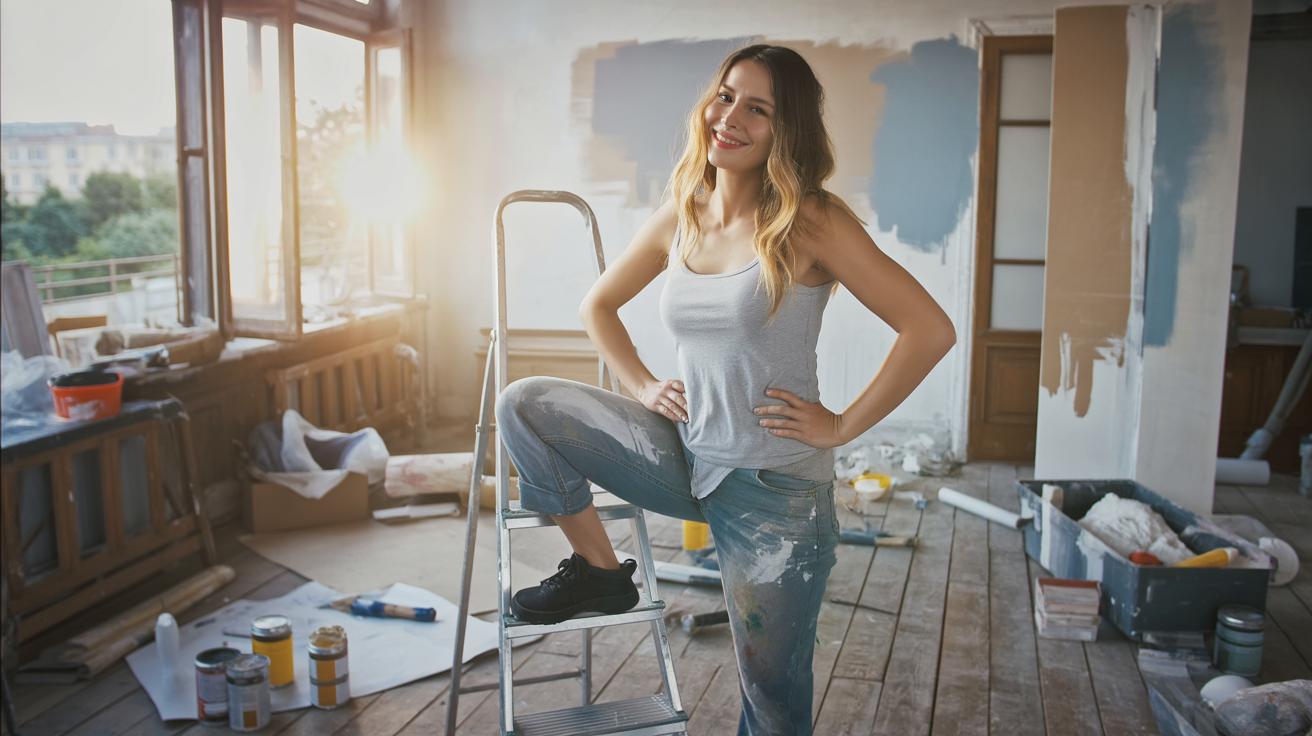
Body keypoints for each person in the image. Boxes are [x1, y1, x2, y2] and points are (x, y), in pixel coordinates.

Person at [495, 43, 956, 736]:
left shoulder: (810, 220)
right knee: (525, 406)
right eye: (726, 96)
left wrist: (842, 425)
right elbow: (598, 306)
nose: (730, 117)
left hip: (774, 493)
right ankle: (601, 571)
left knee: (771, 703)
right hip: (687, 457)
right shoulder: (682, 213)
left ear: (785, 130)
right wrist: (643, 384)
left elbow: (930, 328)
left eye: (758, 108)